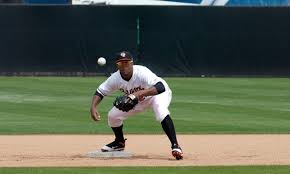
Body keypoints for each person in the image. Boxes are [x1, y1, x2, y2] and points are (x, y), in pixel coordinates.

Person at [90, 51, 183, 160]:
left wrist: (136, 94)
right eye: (121, 63)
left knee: (160, 111)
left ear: (132, 63)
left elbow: (160, 87)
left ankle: (175, 146)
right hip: (138, 99)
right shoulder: (115, 78)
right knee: (112, 116)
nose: (124, 66)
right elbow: (100, 91)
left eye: (126, 62)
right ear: (117, 65)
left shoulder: (141, 72)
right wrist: (93, 107)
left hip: (157, 94)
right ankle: (119, 143)